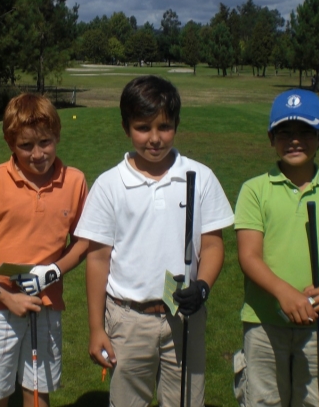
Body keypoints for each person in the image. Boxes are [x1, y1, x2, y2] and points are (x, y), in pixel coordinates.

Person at [75, 75, 234, 407]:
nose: (155, 138)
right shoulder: (109, 184)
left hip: (184, 315)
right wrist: (95, 328)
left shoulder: (199, 176)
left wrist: (203, 286)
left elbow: (213, 245)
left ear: (176, 124)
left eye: (164, 127)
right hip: (128, 318)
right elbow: (98, 258)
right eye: (143, 127)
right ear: (126, 127)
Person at [232, 89, 319, 407]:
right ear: (271, 137)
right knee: (263, 399)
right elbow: (249, 256)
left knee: (318, 400)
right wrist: (284, 292)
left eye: (306, 131)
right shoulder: (254, 190)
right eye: (285, 132)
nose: (295, 140)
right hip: (264, 321)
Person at [0, 93, 89, 407]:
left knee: (36, 392)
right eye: (25, 146)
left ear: (57, 135)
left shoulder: (74, 181)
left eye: (45, 142)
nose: (38, 154)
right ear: (9, 142)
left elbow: (84, 241)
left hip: (46, 304)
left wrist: (54, 271)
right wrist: (6, 296)